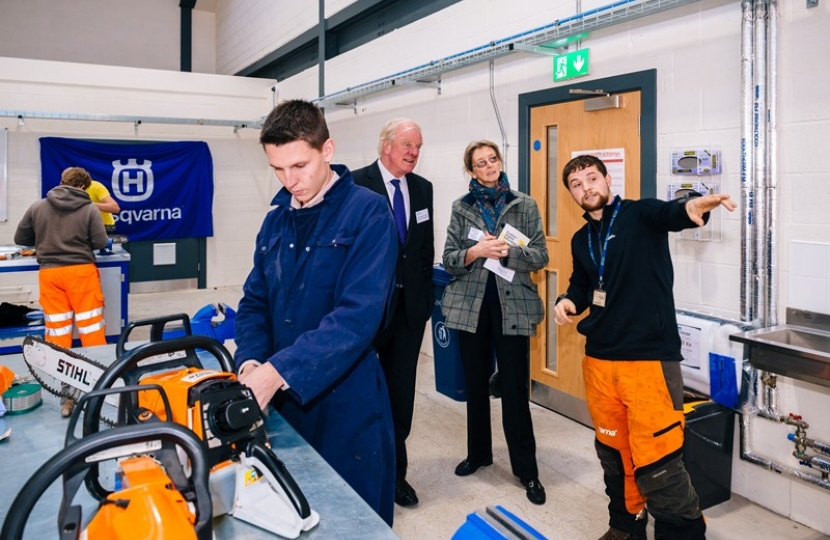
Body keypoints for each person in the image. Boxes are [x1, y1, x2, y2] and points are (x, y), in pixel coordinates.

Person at [233, 99, 399, 525]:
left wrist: (274, 372)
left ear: (327, 150)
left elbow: (357, 316)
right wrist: (251, 360)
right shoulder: (275, 222)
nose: (290, 181)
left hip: (347, 401)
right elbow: (254, 302)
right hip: (281, 401)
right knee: (289, 515)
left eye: (299, 166)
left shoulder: (368, 212)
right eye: (278, 170)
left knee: (353, 521)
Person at [553, 154, 736, 540]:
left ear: (606, 180)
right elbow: (582, 284)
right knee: (614, 455)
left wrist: (693, 207)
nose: (586, 187)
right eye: (576, 184)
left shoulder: (639, 215)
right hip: (600, 362)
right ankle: (626, 526)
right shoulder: (580, 238)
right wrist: (569, 301)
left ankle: (681, 534)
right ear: (572, 194)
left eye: (591, 178)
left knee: (660, 461)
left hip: (649, 361)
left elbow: (672, 213)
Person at [441, 140, 548, 505]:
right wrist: (475, 252)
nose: (489, 166)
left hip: (512, 305)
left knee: (515, 389)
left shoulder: (524, 204)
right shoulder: (462, 207)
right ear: (471, 171)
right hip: (471, 306)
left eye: (493, 160)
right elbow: (450, 258)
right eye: (480, 163)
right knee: (474, 384)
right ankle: (478, 454)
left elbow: (540, 256)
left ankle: (527, 470)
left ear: (500, 162)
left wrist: (509, 253)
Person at [351, 118, 434, 508]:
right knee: (363, 391)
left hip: (409, 312)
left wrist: (423, 299)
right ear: (385, 146)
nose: (414, 153)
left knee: (401, 396)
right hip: (368, 311)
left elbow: (422, 251)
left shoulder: (423, 189)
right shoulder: (354, 184)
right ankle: (362, 468)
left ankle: (396, 475)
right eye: (407, 145)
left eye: (418, 146)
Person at [14, 166, 110, 416]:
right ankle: (99, 394)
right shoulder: (89, 208)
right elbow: (100, 242)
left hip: (50, 274)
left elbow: (20, 238)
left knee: (58, 336)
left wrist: (46, 239)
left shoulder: (38, 206)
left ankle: (67, 399)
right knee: (91, 332)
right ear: (82, 187)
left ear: (62, 182)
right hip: (81, 274)